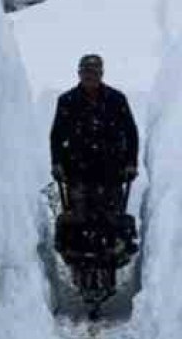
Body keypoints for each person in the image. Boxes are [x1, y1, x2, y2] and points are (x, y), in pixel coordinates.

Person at [50, 54, 139, 254]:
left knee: (111, 216)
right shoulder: (67, 101)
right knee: (78, 216)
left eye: (94, 73)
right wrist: (57, 163)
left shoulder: (116, 100)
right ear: (79, 74)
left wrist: (131, 163)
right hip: (77, 170)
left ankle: (112, 252)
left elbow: (131, 133)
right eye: (86, 73)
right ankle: (76, 253)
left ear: (101, 74)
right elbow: (56, 135)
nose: (90, 77)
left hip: (111, 170)